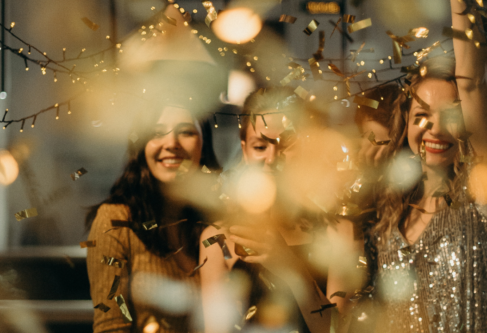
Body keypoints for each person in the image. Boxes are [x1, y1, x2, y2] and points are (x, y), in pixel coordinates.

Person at [199, 87, 363, 333]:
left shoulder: (338, 233)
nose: (272, 158)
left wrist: (288, 265)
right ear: (245, 151)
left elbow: (335, 329)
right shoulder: (220, 240)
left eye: (285, 144)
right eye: (260, 147)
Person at [365, 1, 487, 330]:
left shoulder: (479, 201)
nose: (436, 128)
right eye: (422, 116)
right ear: (405, 127)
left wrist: (461, 5)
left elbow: (471, 82)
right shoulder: (388, 222)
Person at [85, 97, 221, 333]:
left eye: (186, 132)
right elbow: (111, 327)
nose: (171, 143)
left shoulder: (218, 219)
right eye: (156, 133)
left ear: (204, 143)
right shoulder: (114, 221)